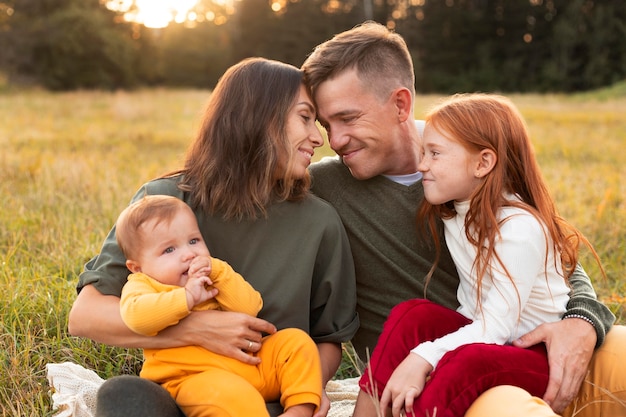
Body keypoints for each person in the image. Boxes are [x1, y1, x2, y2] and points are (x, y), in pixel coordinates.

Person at [301, 21, 624, 417]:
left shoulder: (471, 161)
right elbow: (215, 187)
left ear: (401, 104)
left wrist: (582, 321)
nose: (334, 140)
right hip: (445, 374)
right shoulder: (324, 185)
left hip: (523, 346)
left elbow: (554, 257)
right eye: (325, 124)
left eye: (348, 118)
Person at [68, 57, 359, 417]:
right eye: (304, 117)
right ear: (259, 117)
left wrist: (306, 393)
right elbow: (86, 316)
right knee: (125, 396)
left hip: (269, 397)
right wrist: (197, 329)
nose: (318, 138)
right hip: (186, 390)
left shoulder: (319, 222)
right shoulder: (166, 202)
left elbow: (328, 338)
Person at [358, 93, 603, 417]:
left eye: (434, 154)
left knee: (468, 361)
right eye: (423, 152)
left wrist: (425, 356)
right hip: (486, 339)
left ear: (483, 163)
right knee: (413, 314)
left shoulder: (519, 229)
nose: (422, 165)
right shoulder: (457, 208)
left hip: (536, 356)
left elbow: (495, 328)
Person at [116, 194, 322, 417]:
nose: (189, 254)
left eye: (193, 241)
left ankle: (300, 409)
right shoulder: (143, 283)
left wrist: (218, 272)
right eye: (169, 250)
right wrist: (186, 298)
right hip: (195, 378)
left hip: (254, 365)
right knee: (231, 396)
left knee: (296, 342)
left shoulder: (214, 273)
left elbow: (250, 308)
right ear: (137, 267)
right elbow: (136, 317)